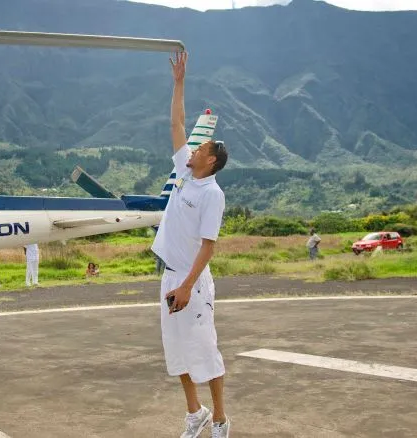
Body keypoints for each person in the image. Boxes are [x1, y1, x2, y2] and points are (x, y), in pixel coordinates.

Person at [151, 51, 230, 438]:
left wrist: (186, 286)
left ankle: (219, 419)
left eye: (202, 149)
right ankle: (194, 413)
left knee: (204, 350)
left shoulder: (212, 194)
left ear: (212, 161)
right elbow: (177, 122)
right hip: (171, 277)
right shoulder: (184, 172)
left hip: (193, 282)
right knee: (177, 352)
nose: (194, 149)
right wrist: (179, 82)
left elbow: (208, 247)